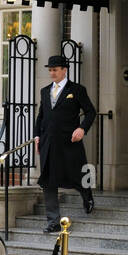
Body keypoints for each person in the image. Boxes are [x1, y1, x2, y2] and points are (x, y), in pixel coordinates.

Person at [34, 54, 96, 232]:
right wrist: (37, 136)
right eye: (50, 70)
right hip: (48, 143)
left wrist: (82, 129)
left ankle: (87, 196)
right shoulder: (45, 91)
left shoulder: (77, 89)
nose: (52, 73)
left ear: (64, 70)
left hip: (70, 142)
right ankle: (53, 222)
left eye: (55, 70)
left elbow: (91, 112)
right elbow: (41, 117)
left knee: (79, 174)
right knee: (48, 181)